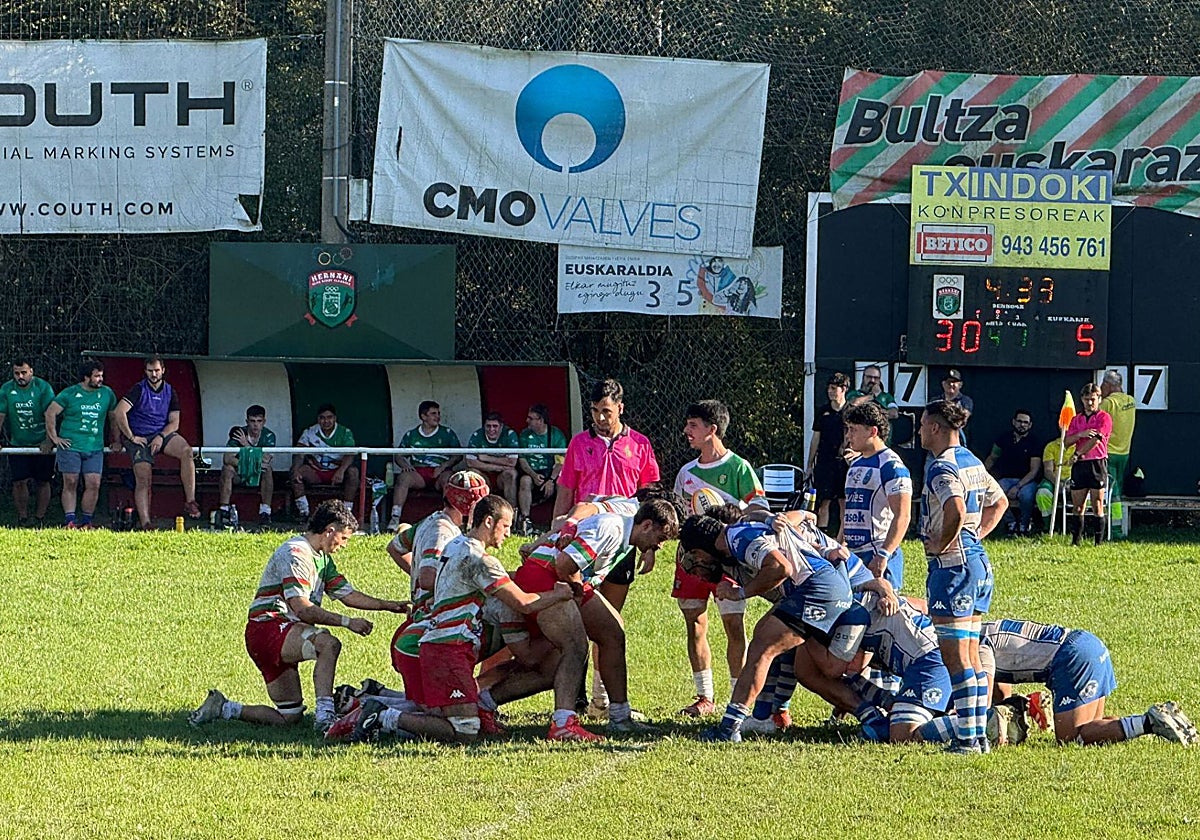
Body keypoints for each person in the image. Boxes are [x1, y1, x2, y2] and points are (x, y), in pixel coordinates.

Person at [353, 496, 596, 744]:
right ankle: (383, 715)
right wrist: (558, 594)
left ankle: (373, 704)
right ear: (489, 522)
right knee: (465, 730)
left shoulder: (456, 544)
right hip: (450, 648)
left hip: (435, 643)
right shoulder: (481, 560)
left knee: (439, 713)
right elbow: (522, 602)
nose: (509, 534)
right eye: (506, 526)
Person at [188, 500, 409, 732]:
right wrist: (347, 622)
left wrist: (388, 605)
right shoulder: (296, 552)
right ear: (329, 530)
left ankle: (224, 708)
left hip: (272, 634)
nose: (344, 545)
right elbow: (302, 608)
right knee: (328, 644)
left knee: (289, 716)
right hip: (269, 628)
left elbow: (347, 594)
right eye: (344, 538)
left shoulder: (322, 558)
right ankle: (325, 717)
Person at [677, 512, 856, 742]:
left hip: (819, 588)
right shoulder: (738, 534)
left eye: (695, 556)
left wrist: (740, 592)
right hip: (826, 586)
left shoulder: (738, 538)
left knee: (763, 649)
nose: (699, 563)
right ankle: (765, 716)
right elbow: (757, 515)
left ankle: (730, 727)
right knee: (767, 638)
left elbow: (780, 568)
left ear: (701, 549)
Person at [514, 498, 679, 732]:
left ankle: (620, 717)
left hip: (559, 575)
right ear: (647, 525)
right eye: (660, 539)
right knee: (574, 646)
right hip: (546, 575)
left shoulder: (629, 521)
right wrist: (578, 591)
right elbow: (564, 564)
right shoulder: (610, 528)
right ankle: (563, 724)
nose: (659, 546)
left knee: (613, 633)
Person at [919, 398, 1007, 754]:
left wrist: (943, 542)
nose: (921, 430)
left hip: (953, 568)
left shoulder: (940, 467)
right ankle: (975, 735)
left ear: (937, 428)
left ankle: (968, 738)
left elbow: (954, 508)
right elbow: (998, 502)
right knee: (969, 655)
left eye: (924, 424)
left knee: (955, 657)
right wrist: (975, 535)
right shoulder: (972, 461)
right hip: (976, 563)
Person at [671, 399, 767, 717]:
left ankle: (737, 699)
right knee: (695, 623)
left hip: (727, 560)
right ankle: (705, 697)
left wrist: (733, 519)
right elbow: (680, 515)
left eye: (693, 425)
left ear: (712, 429)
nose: (686, 431)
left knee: (733, 625)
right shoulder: (687, 472)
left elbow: (759, 508)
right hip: (691, 560)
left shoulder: (738, 467)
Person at [982, 618, 1198, 746]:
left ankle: (1149, 722)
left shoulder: (974, 644)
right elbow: (999, 695)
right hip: (1088, 644)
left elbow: (982, 691)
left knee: (1072, 737)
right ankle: (1152, 721)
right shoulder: (983, 631)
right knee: (1094, 728)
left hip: (1072, 657)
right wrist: (1018, 707)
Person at [555, 377, 660, 613]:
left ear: (620, 408)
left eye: (606, 411)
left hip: (622, 537)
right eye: (594, 410)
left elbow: (651, 500)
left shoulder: (640, 444)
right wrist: (557, 527)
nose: (599, 418)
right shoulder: (579, 443)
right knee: (577, 612)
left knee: (610, 617)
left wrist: (651, 547)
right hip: (585, 533)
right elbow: (566, 489)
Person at [112, 355, 202, 528]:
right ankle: (146, 522)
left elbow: (175, 422)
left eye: (157, 370)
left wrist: (161, 436)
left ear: (163, 370)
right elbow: (119, 412)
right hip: (139, 436)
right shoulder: (138, 389)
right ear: (145, 371)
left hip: (160, 433)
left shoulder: (170, 391)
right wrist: (130, 437)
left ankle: (190, 500)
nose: (154, 374)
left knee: (187, 451)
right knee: (144, 477)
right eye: (150, 371)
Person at [842, 401, 911, 592]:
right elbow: (849, 510)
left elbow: (903, 515)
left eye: (853, 430)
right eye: (848, 429)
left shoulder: (891, 465)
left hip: (877, 554)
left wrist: (884, 554)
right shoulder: (855, 464)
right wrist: (839, 544)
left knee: (884, 613)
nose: (848, 436)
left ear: (873, 432)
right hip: (854, 555)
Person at [44, 359, 118, 529]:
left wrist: (116, 440)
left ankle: (87, 521)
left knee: (93, 484)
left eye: (101, 375)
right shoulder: (69, 394)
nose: (101, 379)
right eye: (97, 376)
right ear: (86, 377)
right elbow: (50, 413)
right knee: (70, 481)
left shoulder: (107, 394)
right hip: (71, 446)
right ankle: (70, 520)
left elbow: (113, 417)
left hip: (95, 447)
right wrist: (54, 438)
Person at [388, 400, 462, 532]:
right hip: (419, 473)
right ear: (423, 416)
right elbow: (398, 455)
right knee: (403, 478)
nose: (437, 416)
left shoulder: (447, 433)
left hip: (440, 472)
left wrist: (444, 466)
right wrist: (405, 465)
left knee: (449, 479)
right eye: (433, 414)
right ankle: (395, 517)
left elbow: (458, 455)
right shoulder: (412, 434)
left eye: (438, 413)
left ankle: (450, 520)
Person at [0, 358, 56, 526]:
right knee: (19, 481)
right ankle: (23, 517)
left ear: (31, 371)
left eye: (24, 373)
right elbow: (0, 415)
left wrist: (49, 440)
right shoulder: (6, 389)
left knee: (43, 481)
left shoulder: (43, 387)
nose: (20, 376)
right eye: (16, 373)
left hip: (41, 442)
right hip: (18, 442)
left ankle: (40, 518)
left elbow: (50, 414)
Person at [290, 403, 359, 520]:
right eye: (322, 418)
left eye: (329, 417)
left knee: (353, 472)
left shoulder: (345, 432)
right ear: (318, 419)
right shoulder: (310, 432)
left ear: (335, 418)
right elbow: (299, 453)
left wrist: (341, 471)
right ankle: (304, 512)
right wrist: (296, 469)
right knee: (295, 472)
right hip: (317, 471)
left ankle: (347, 513)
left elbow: (350, 455)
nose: (326, 421)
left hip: (337, 472)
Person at [1064, 384, 1112, 546]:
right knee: (1078, 506)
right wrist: (1080, 434)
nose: (1090, 403)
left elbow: (1096, 439)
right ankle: (1075, 541)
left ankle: (1098, 542)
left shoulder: (1104, 417)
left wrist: (1078, 453)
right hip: (1080, 466)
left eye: (1093, 399)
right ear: (1082, 400)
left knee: (1097, 504)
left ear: (1099, 399)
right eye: (1086, 400)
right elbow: (1066, 442)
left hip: (1096, 463)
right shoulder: (1076, 419)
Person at [983, 409, 1042, 536]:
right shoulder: (1003, 439)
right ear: (1014, 422)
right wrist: (981, 474)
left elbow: (1034, 470)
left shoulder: (1035, 442)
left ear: (1030, 425)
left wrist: (1018, 486)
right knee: (995, 493)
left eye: (1026, 422)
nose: (1022, 425)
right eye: (1019, 421)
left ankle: (1024, 525)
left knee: (1026, 495)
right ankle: (1010, 523)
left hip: (1027, 481)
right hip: (1006, 479)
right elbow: (992, 457)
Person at [217, 404, 277, 527]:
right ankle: (224, 510)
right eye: (252, 421)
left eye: (259, 421)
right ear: (247, 421)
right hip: (240, 473)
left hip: (258, 474)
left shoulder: (269, 436)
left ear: (264, 421)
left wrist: (246, 446)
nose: (256, 425)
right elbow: (227, 458)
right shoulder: (239, 433)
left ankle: (265, 512)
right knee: (227, 469)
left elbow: (265, 460)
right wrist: (249, 464)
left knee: (268, 470)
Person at [806, 372, 850, 532]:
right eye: (829, 388)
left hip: (843, 463)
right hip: (825, 462)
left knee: (843, 502)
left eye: (834, 388)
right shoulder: (822, 411)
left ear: (843, 389)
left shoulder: (850, 411)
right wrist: (809, 464)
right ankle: (821, 537)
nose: (830, 391)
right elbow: (815, 438)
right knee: (823, 502)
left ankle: (842, 539)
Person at [516, 403, 567, 537]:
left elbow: (560, 462)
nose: (527, 421)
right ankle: (525, 520)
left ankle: (559, 520)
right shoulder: (525, 435)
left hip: (550, 473)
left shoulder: (555, 435)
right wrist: (533, 475)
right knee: (525, 481)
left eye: (531, 418)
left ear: (541, 420)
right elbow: (522, 459)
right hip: (531, 472)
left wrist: (551, 480)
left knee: (561, 483)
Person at [1099, 370, 1136, 517]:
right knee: (1118, 487)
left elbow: (1095, 419)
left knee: (1112, 490)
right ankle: (1117, 522)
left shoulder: (1108, 403)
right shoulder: (1131, 401)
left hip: (1109, 452)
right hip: (1124, 452)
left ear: (1107, 385)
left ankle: (1115, 528)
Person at [465, 411, 519, 506]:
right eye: (488, 426)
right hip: (485, 474)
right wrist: (498, 467)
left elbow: (511, 462)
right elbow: (471, 462)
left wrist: (486, 458)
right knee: (472, 473)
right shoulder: (477, 435)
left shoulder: (509, 435)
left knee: (511, 473)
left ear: (501, 426)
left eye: (495, 426)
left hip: (502, 477)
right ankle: (477, 511)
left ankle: (512, 512)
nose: (491, 429)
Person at [1035, 437, 1075, 530]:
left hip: (1073, 481)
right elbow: (1048, 471)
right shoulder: (1051, 446)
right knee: (1042, 493)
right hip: (1054, 480)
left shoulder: (1081, 447)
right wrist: (1059, 484)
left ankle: (1081, 527)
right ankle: (1048, 526)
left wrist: (1070, 484)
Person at [939, 369, 974, 443]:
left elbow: (962, 420)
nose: (951, 384)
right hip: (938, 441)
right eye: (948, 382)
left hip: (958, 442)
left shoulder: (966, 401)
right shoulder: (935, 401)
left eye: (954, 382)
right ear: (943, 384)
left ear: (960, 384)